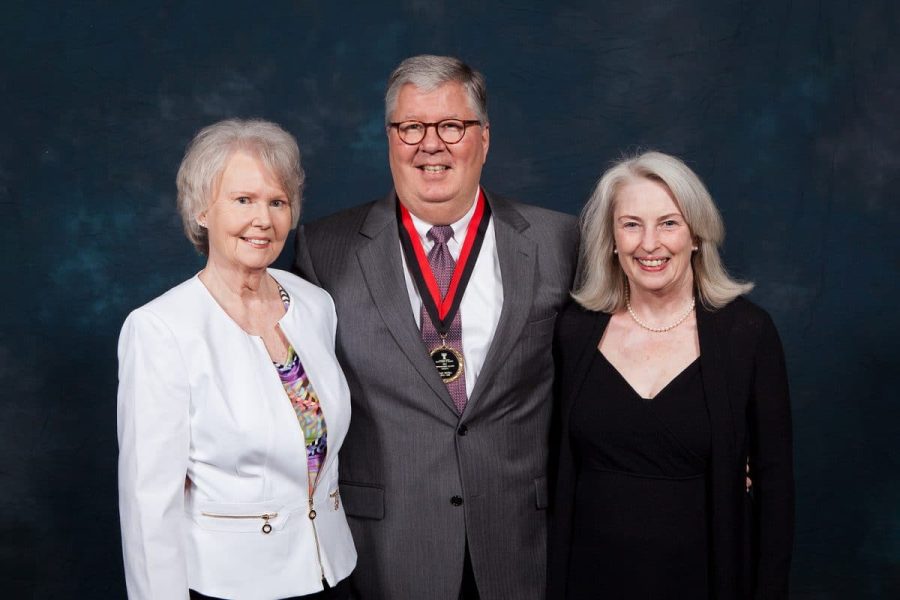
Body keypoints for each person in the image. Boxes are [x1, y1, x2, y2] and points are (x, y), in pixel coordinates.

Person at [293, 55, 577, 600]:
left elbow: (601, 376)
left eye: (451, 125)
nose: (431, 144)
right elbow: (297, 399)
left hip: (521, 543)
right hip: (387, 545)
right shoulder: (323, 249)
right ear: (390, 138)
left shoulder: (560, 242)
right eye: (411, 127)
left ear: (485, 138)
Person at [117, 119, 356, 600]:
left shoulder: (316, 305)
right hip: (230, 587)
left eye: (277, 202)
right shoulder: (161, 329)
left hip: (329, 571)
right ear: (203, 210)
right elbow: (149, 506)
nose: (263, 220)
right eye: (243, 200)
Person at [548, 151, 794, 599]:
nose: (648, 244)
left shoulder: (747, 334)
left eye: (668, 223)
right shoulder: (575, 330)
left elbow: (775, 487)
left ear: (697, 235)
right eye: (631, 224)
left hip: (705, 580)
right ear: (611, 238)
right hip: (589, 579)